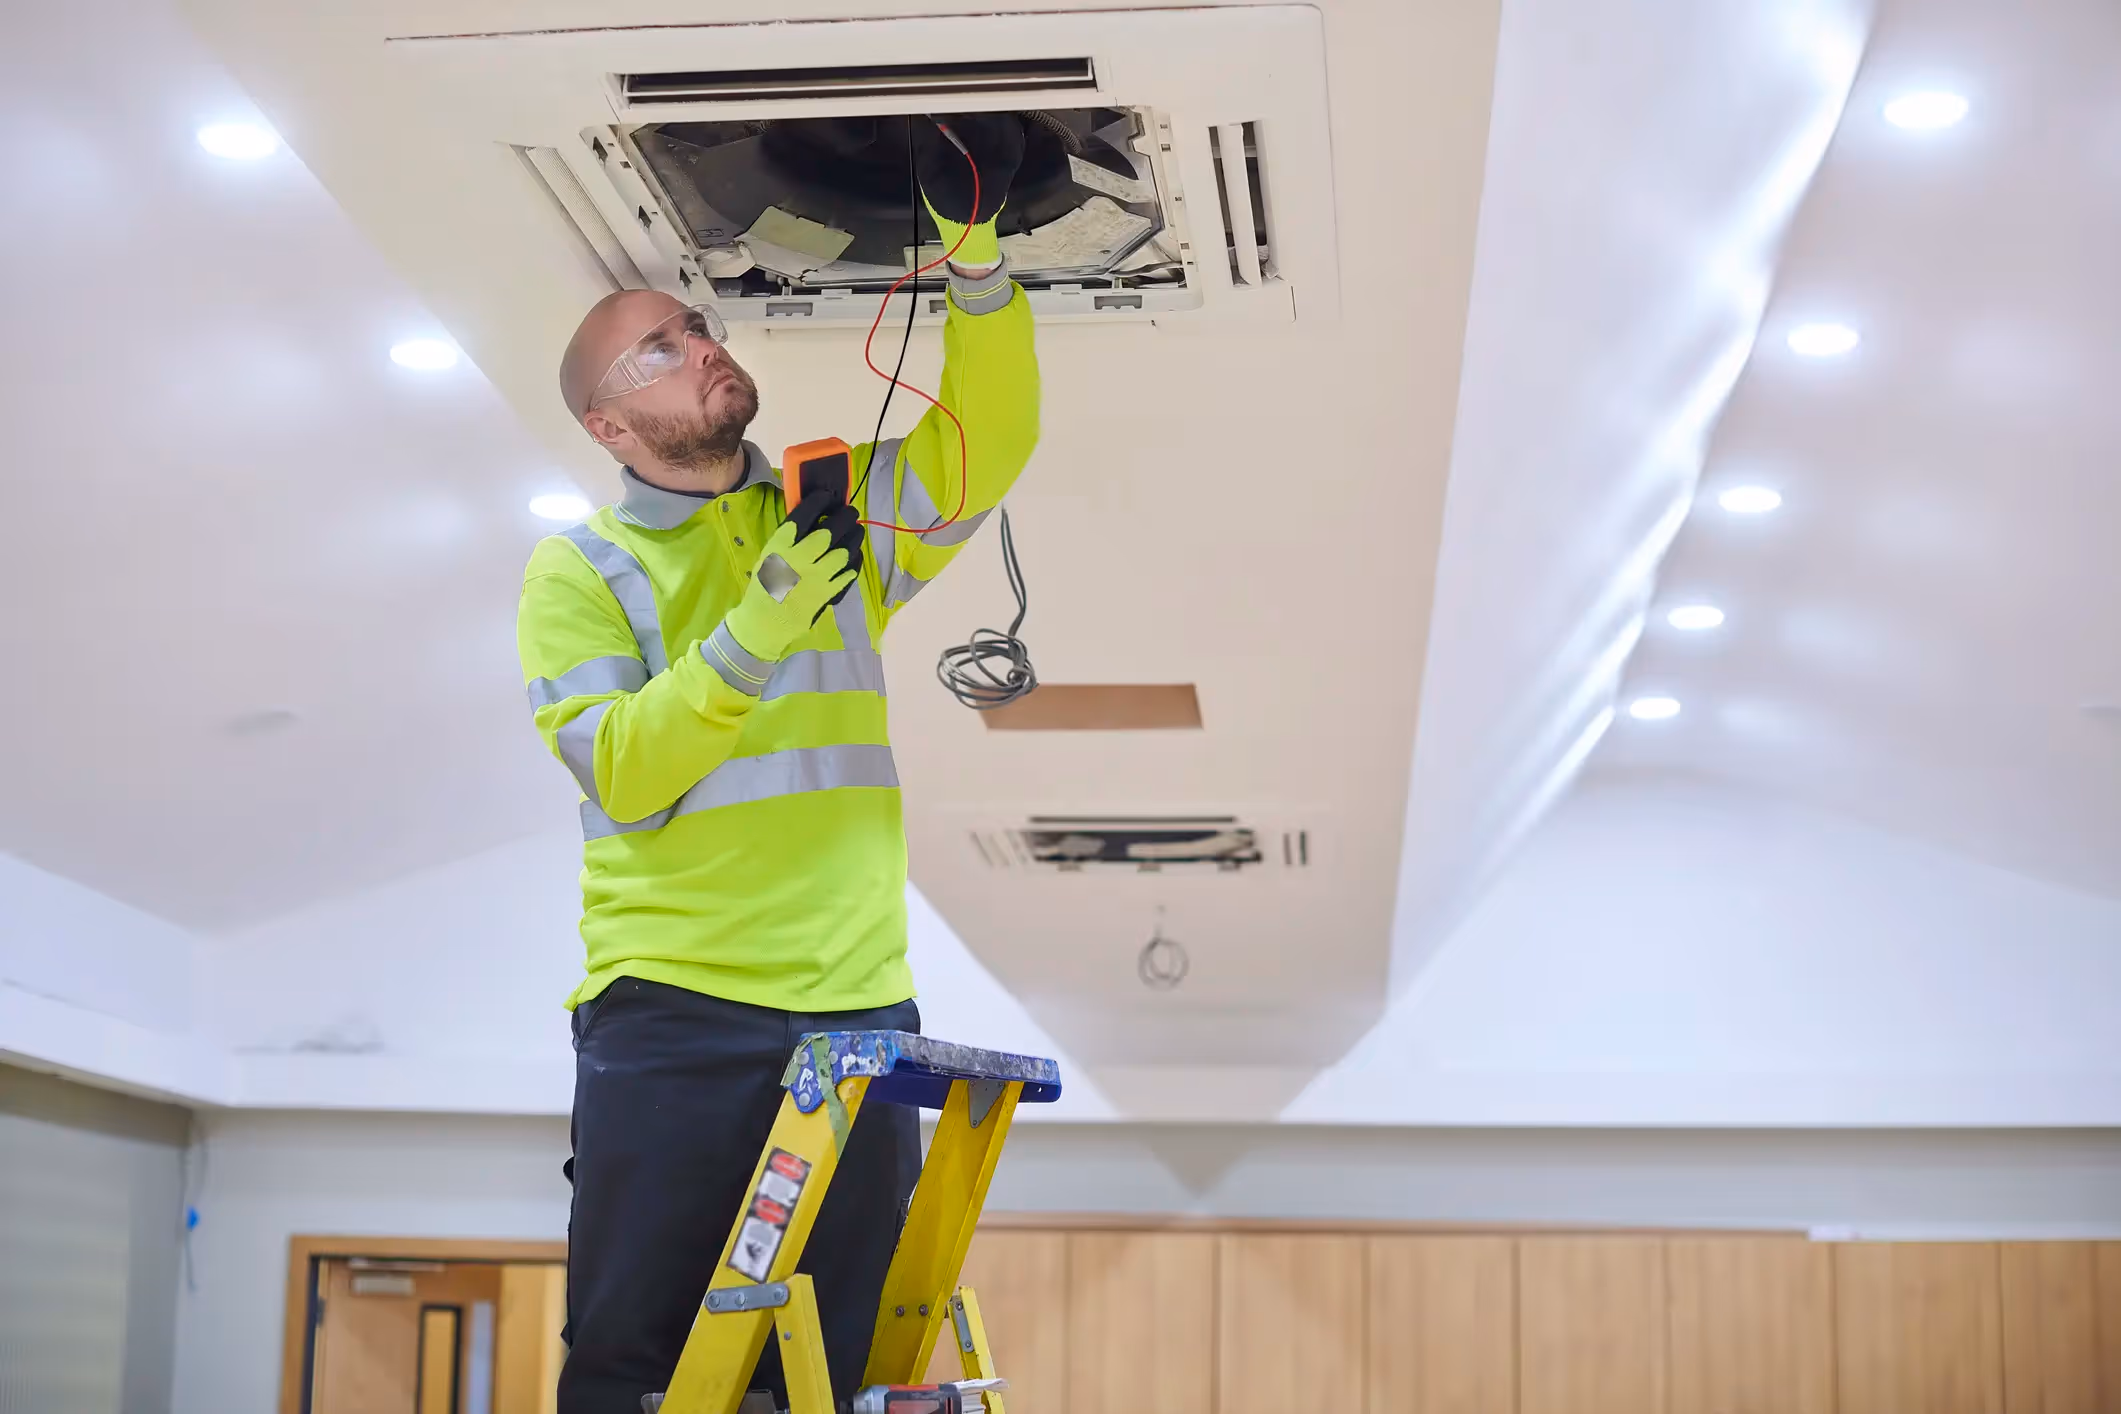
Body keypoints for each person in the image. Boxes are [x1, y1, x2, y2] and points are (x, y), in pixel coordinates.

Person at [515, 114, 1040, 1413]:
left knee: (844, 1366)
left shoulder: (832, 515)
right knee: (636, 1364)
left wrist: (973, 259)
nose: (703, 349)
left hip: (855, 1005)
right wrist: (759, 624)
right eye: (662, 346)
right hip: (672, 1008)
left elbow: (995, 438)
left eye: (701, 330)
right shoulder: (580, 573)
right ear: (606, 421)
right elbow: (626, 769)